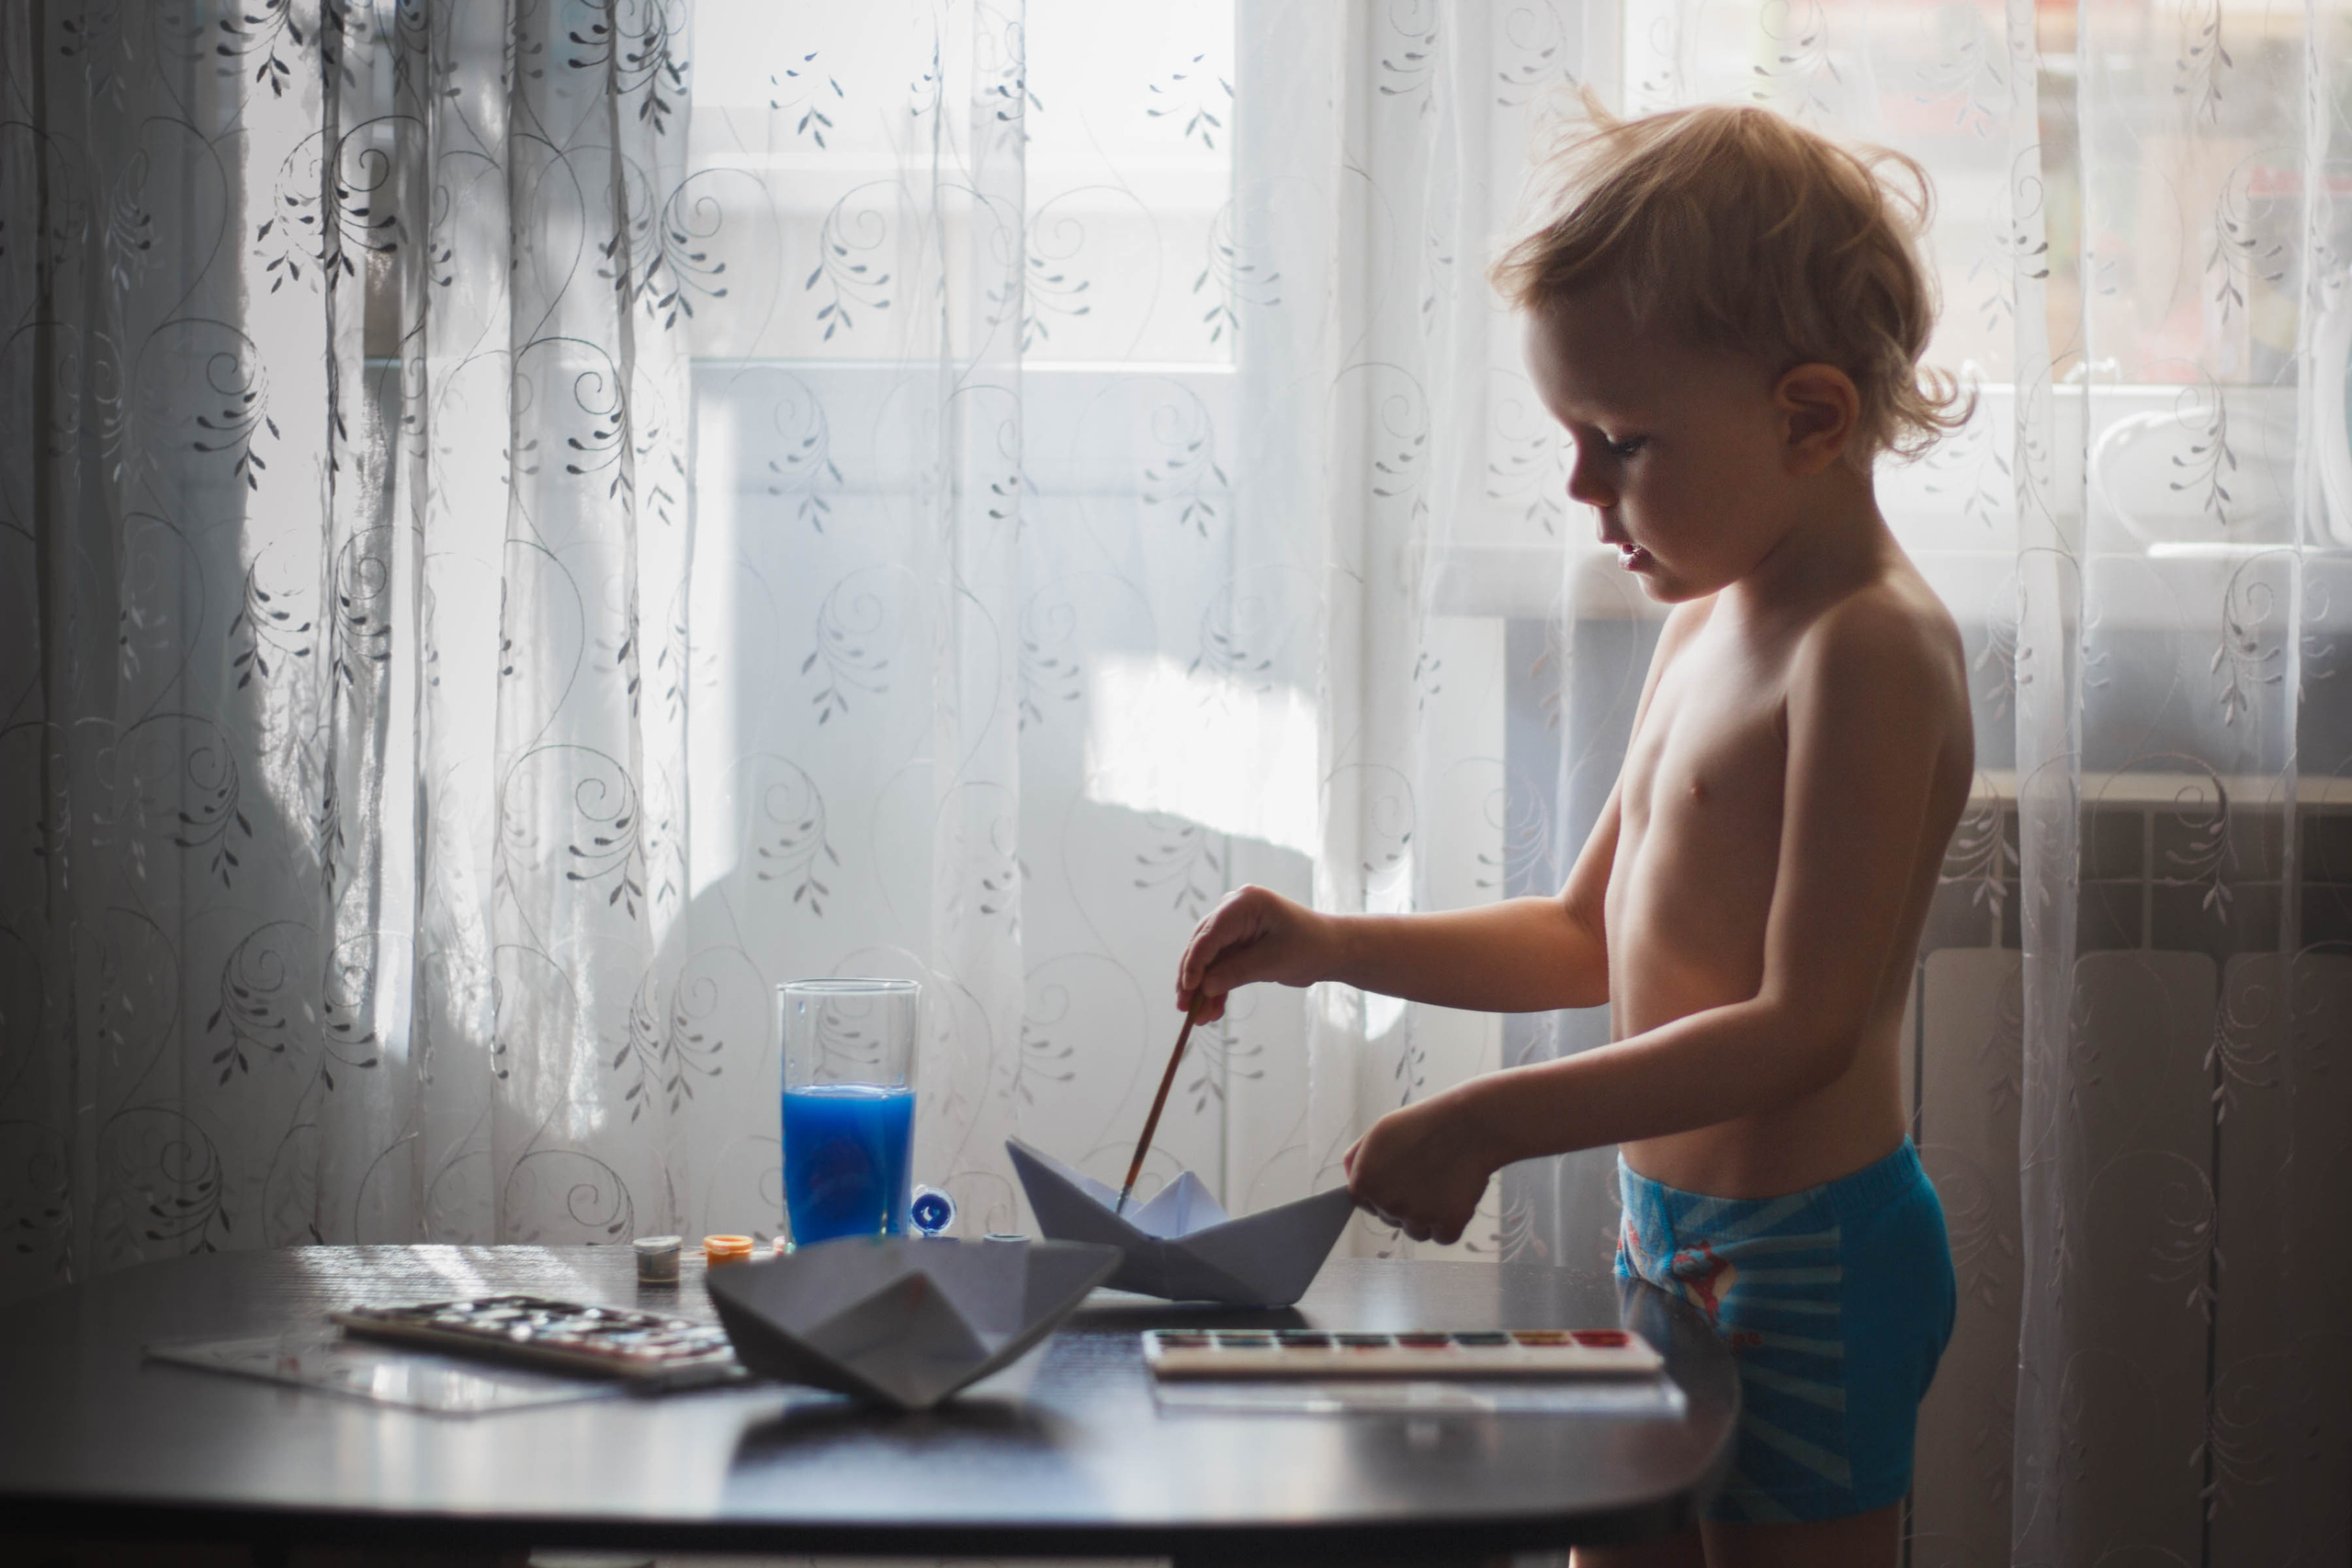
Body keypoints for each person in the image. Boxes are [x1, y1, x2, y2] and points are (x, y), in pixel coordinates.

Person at [1174, 99, 1973, 1568]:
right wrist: (1329, 945)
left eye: (1620, 441)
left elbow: (1803, 1027)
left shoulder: (1867, 650)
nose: (1581, 491)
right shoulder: (1710, 622)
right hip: (1664, 1232)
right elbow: (1580, 936)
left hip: (1810, 1262)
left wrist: (1488, 1118)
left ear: (1809, 417)